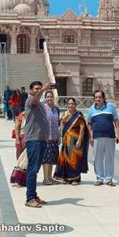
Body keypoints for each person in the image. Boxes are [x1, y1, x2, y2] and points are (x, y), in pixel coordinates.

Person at [24, 80, 53, 208]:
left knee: (35, 170)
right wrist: (43, 89)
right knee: (32, 169)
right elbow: (35, 100)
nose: (38, 90)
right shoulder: (30, 100)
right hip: (33, 140)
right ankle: (29, 198)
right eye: (36, 88)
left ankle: (34, 195)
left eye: (40, 88)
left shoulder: (40, 104)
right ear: (31, 90)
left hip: (42, 140)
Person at [87, 90, 119, 186]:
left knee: (109, 158)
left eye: (99, 97)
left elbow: (116, 121)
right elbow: (89, 123)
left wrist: (118, 134)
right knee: (98, 158)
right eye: (96, 97)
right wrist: (90, 136)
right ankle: (100, 178)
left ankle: (109, 179)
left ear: (103, 98)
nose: (98, 99)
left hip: (110, 136)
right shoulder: (91, 109)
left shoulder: (110, 107)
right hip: (97, 137)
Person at [54, 97, 88, 184]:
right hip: (67, 140)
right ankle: (68, 177)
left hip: (76, 140)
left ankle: (76, 178)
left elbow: (82, 128)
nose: (70, 105)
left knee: (75, 159)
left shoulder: (78, 115)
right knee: (66, 159)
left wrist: (80, 140)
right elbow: (63, 125)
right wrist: (64, 119)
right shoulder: (65, 113)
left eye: (72, 104)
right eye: (69, 104)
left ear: (75, 105)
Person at [42, 90, 60, 184]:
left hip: (54, 136)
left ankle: (50, 177)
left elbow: (58, 123)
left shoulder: (56, 109)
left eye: (51, 96)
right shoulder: (42, 108)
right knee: (46, 158)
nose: (49, 98)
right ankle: (45, 178)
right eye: (47, 97)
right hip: (45, 137)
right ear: (45, 98)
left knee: (52, 157)